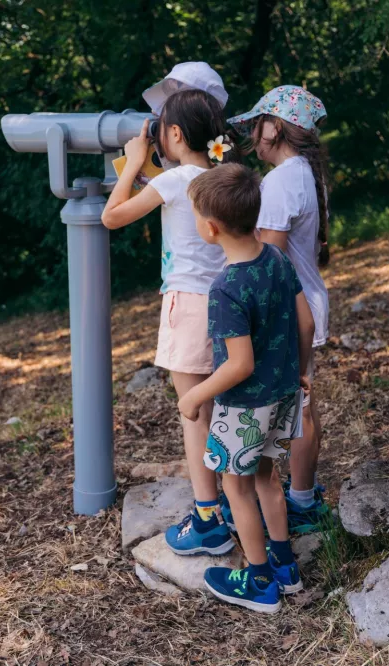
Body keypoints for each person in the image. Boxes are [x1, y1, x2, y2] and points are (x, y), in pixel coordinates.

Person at [102, 89, 242, 557]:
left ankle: (208, 517)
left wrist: (135, 157)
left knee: (194, 413)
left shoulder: (175, 179)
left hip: (188, 305)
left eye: (160, 129)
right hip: (227, 301)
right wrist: (151, 173)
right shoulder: (219, 175)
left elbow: (111, 216)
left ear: (175, 134)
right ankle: (237, 504)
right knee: (224, 408)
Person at [179, 163, 315, 613]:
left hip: (244, 408)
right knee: (267, 479)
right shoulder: (276, 259)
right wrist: (303, 368)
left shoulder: (226, 289)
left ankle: (258, 581)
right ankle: (285, 566)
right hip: (282, 395)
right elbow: (306, 321)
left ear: (212, 228)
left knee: (235, 489)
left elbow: (239, 365)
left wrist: (196, 394)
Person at [228, 86, 331, 533]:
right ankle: (303, 496)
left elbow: (267, 261)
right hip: (304, 301)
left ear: (274, 127)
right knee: (304, 403)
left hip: (288, 310)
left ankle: (296, 505)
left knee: (297, 407)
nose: (253, 133)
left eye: (257, 123)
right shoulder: (303, 172)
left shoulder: (282, 181)